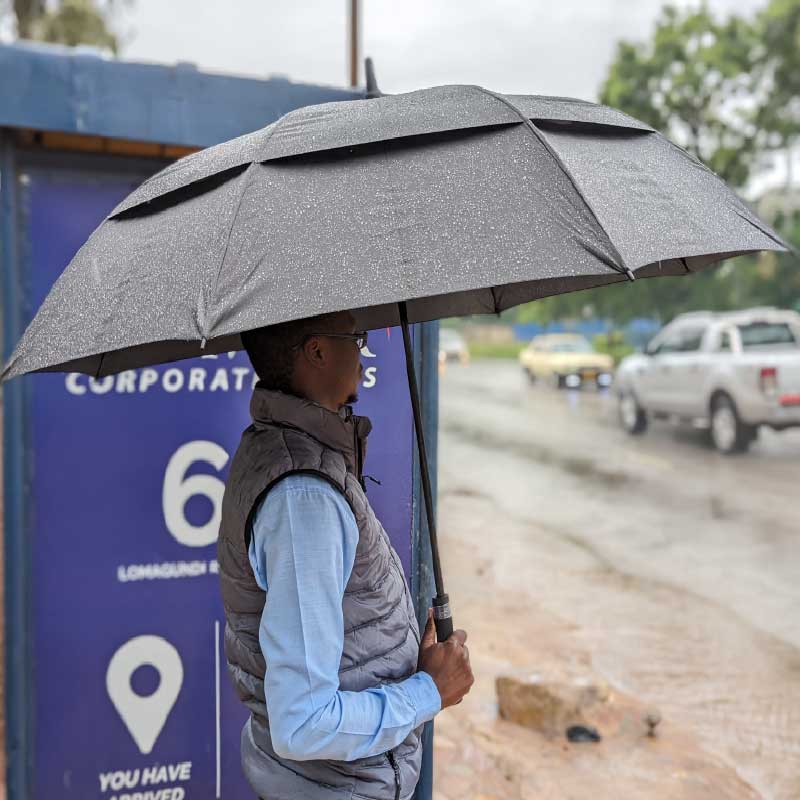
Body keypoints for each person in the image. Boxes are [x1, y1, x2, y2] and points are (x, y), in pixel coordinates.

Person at [217, 310, 474, 800]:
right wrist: (428, 691)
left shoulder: (289, 452)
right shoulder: (303, 497)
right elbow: (305, 723)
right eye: (355, 338)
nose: (363, 352)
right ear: (316, 352)